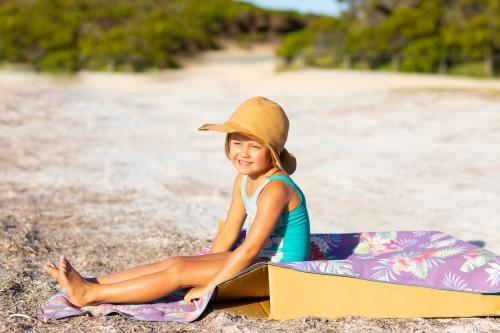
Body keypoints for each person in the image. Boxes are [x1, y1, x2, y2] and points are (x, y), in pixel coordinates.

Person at [44, 96, 310, 307]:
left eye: (254, 146)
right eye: (237, 143)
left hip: (279, 272)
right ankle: (91, 283)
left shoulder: (276, 188)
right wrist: (203, 266)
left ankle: (89, 295)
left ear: (273, 152)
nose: (243, 153)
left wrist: (211, 284)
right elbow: (230, 230)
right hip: (259, 262)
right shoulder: (243, 180)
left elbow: (249, 249)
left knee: (180, 271)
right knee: (176, 261)